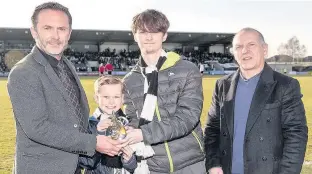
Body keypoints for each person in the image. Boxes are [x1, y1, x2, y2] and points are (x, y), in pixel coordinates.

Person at [7, 2, 123, 174]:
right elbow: (37, 128)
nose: (55, 36)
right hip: (43, 168)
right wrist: (93, 143)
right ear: (34, 31)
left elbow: (75, 116)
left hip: (73, 165)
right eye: (47, 28)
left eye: (61, 29)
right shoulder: (24, 72)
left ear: (69, 33)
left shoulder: (65, 63)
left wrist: (99, 129)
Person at [204, 27, 308, 174]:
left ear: (264, 50)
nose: (244, 51)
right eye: (238, 47)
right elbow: (212, 129)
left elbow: (296, 134)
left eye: (251, 45)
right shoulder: (222, 85)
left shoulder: (286, 85)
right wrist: (213, 163)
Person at [122, 9, 206, 174]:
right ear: (135, 36)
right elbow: (133, 120)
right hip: (153, 166)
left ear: (164, 35)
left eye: (155, 31)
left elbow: (187, 118)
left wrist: (143, 134)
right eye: (143, 31)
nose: (149, 37)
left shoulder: (187, 69)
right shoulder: (129, 81)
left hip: (190, 163)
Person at [79, 76, 137, 174]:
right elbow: (86, 163)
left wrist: (129, 160)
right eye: (106, 97)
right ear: (97, 98)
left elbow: (133, 167)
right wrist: (97, 136)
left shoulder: (128, 124)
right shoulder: (88, 125)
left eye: (116, 97)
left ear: (123, 98)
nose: (111, 102)